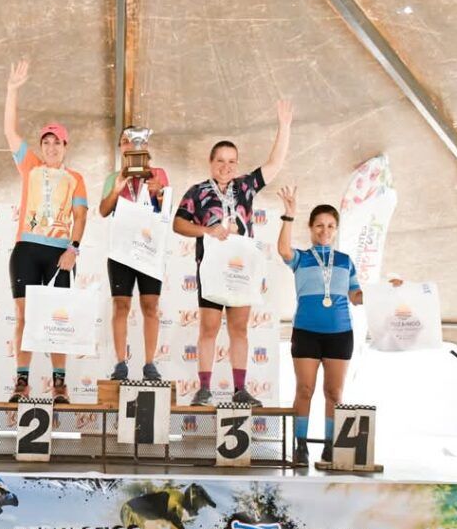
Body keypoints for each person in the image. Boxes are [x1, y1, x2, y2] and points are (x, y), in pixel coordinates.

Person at [173, 100, 293, 407]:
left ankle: (240, 389)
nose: (226, 167)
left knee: (239, 328)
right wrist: (207, 230)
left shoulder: (245, 187)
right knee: (209, 328)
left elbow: (275, 164)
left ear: (237, 165)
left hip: (241, 269)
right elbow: (178, 224)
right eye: (220, 161)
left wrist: (284, 126)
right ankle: (204, 389)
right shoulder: (198, 192)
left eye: (231, 162)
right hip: (211, 270)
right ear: (210, 162)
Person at [276, 185, 399, 464]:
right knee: (304, 390)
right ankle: (300, 446)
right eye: (319, 225)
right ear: (311, 228)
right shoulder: (302, 258)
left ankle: (330, 447)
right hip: (306, 333)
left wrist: (385, 290)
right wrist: (289, 215)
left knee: (334, 393)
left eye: (330, 226)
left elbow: (356, 297)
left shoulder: (345, 262)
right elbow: (283, 250)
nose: (325, 230)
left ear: (336, 229)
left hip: (340, 334)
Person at [3, 60, 89, 404]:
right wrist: (12, 90)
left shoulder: (76, 178)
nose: (52, 147)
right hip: (27, 248)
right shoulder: (31, 166)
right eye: (47, 142)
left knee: (57, 320)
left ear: (66, 146)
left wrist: (74, 248)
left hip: (59, 253)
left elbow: (80, 216)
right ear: (41, 146)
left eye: (57, 143)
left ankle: (59, 385)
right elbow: (10, 132)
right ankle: (22, 382)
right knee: (24, 317)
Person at [100, 127, 171, 381]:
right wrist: (116, 189)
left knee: (150, 306)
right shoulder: (113, 177)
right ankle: (120, 363)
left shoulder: (158, 174)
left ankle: (150, 364)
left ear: (146, 145)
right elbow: (103, 210)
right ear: (120, 148)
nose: (131, 145)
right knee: (121, 305)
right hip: (121, 251)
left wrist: (159, 192)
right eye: (125, 141)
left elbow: (167, 212)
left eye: (136, 141)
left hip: (149, 249)